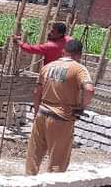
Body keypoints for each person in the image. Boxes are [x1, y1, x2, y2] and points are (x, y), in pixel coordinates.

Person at [25, 38, 94, 175]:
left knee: (33, 157)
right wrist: (82, 106)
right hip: (61, 118)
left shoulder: (47, 67)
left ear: (63, 52)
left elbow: (36, 92)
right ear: (79, 54)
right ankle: (52, 186)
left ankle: (28, 181)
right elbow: (89, 90)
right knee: (57, 162)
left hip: (42, 114)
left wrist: (36, 113)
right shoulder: (79, 69)